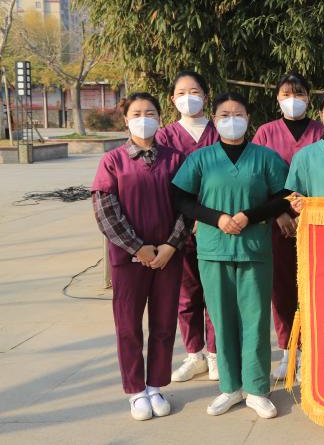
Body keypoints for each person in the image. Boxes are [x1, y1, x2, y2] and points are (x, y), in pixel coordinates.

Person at [172, 92, 291, 419]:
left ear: (248, 118)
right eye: (224, 115)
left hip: (254, 249)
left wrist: (248, 216)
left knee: (255, 319)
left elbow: (283, 195)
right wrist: (217, 219)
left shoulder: (265, 158)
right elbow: (181, 198)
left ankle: (257, 388)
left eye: (238, 114)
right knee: (222, 320)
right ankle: (230, 387)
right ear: (214, 120)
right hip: (214, 249)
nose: (231, 120)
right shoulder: (201, 159)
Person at [92, 92, 188, 421]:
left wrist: (171, 245)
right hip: (128, 260)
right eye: (136, 113)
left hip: (167, 258)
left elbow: (187, 206)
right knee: (128, 326)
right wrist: (138, 247)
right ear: (126, 120)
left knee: (164, 323)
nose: (143, 118)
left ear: (160, 119)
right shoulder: (113, 161)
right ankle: (135, 390)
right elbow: (106, 210)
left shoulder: (175, 160)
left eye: (150, 113)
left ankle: (155, 385)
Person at [251, 72, 324, 381]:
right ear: (277, 98)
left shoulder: (321, 130)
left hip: (316, 223)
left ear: (309, 98)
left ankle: (313, 351)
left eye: (299, 94)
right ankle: (288, 351)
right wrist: (279, 214)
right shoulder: (266, 133)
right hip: (278, 226)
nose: (293, 100)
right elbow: (256, 178)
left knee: (315, 286)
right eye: (286, 94)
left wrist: (309, 213)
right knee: (281, 288)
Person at [155, 71, 221, 384]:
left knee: (216, 292)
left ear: (206, 96)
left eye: (194, 91)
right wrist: (185, 222)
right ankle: (195, 354)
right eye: (181, 92)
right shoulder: (164, 137)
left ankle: (217, 353)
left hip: (216, 225)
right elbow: (163, 186)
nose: (188, 97)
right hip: (179, 229)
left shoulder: (220, 131)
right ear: (172, 99)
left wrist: (207, 217)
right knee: (187, 294)